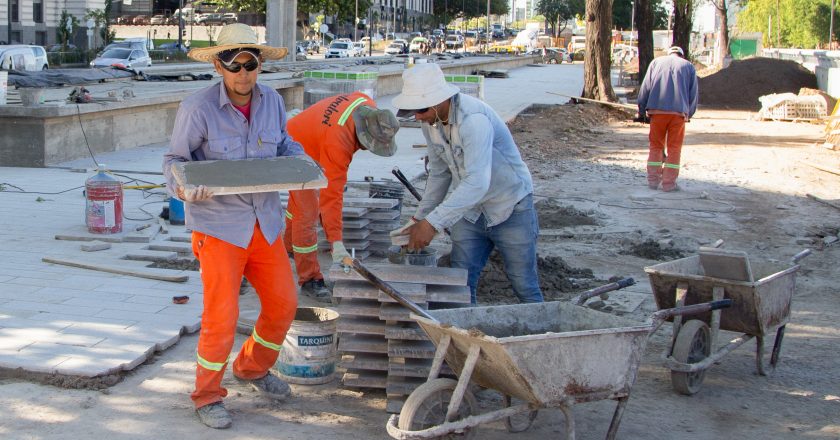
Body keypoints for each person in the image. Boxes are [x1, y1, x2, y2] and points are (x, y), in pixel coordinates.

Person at [162, 23, 302, 430]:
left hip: (266, 225)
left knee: (283, 304)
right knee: (222, 316)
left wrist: (302, 161)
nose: (243, 73)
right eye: (233, 65)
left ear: (260, 65)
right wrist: (184, 189)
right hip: (220, 227)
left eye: (250, 64)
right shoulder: (197, 109)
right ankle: (207, 395)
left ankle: (252, 367)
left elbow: (284, 145)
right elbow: (174, 161)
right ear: (219, 67)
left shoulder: (273, 102)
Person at [391, 63, 543, 305]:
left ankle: (541, 339)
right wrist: (419, 218)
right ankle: (466, 336)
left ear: (439, 100)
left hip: (509, 206)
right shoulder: (430, 124)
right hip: (471, 211)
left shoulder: (473, 121)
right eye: (412, 112)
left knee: (523, 282)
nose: (418, 117)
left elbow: (477, 183)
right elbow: (440, 174)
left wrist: (433, 224)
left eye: (420, 110)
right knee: (460, 282)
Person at [284, 92, 400, 301]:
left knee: (299, 205)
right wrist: (336, 241)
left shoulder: (367, 105)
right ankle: (309, 278)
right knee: (307, 213)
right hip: (294, 152)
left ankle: (287, 248)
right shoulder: (339, 142)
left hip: (302, 133)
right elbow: (332, 196)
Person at [637, 45, 699, 192]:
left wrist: (641, 110)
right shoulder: (688, 66)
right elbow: (693, 94)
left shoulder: (656, 63)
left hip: (656, 112)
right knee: (674, 149)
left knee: (656, 146)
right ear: (681, 55)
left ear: (669, 53)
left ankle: (653, 181)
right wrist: (689, 113)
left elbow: (645, 88)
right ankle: (669, 184)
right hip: (678, 114)